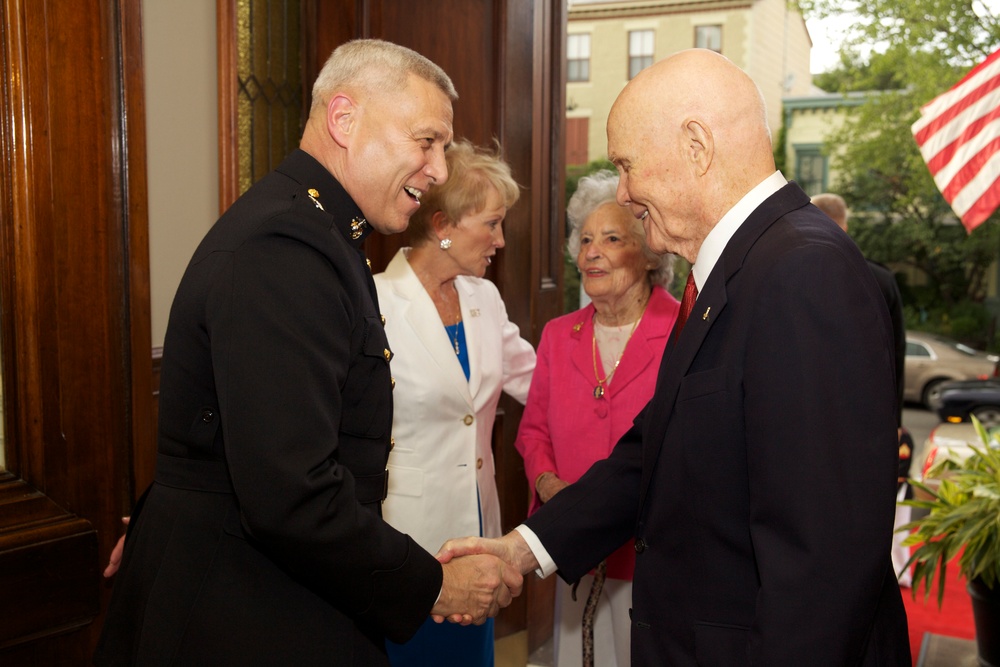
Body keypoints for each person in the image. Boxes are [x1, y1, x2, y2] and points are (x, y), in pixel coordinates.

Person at [439, 48, 910, 665]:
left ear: (696, 145)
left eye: (629, 165)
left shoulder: (804, 273)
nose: (626, 194)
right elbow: (655, 451)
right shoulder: (741, 271)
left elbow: (821, 566)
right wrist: (527, 548)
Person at [95, 39, 521, 666]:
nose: (438, 170)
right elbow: (290, 494)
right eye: (426, 141)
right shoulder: (287, 246)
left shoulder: (316, 233)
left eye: (444, 149)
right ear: (344, 121)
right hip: (246, 610)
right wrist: (432, 584)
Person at [374, 139, 536, 666]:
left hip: (479, 541)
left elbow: (538, 383)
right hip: (402, 544)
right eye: (491, 224)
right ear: (442, 225)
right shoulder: (371, 300)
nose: (501, 239)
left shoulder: (483, 298)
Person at [514, 170, 678, 667]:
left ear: (649, 253)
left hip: (652, 553)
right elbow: (533, 429)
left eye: (611, 238)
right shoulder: (558, 334)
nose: (592, 252)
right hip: (575, 545)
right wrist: (546, 483)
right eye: (585, 239)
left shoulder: (682, 332)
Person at [812, 192, 913, 587]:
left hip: (814, 415)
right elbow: (896, 357)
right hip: (868, 420)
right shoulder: (881, 278)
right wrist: (894, 424)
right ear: (847, 224)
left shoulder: (792, 271)